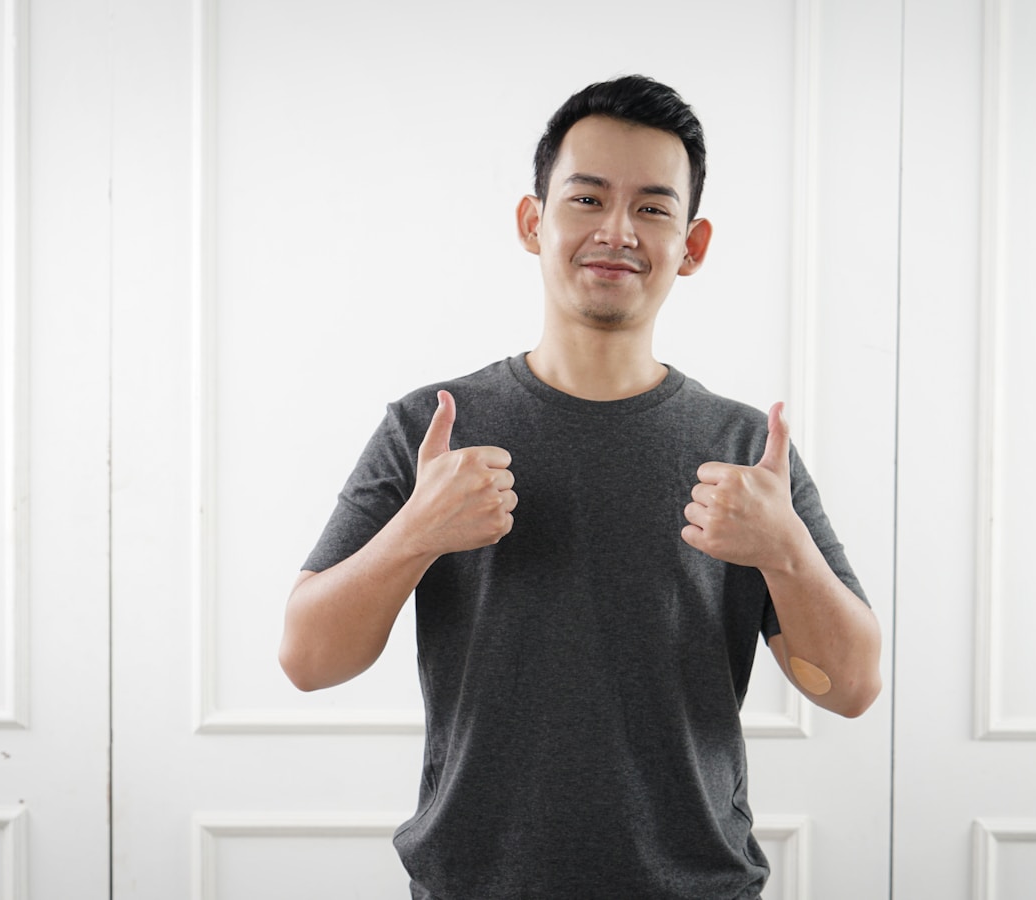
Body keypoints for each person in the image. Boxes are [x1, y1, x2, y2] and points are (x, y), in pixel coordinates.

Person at [280, 74, 882, 900]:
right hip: (473, 886)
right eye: (587, 198)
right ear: (535, 222)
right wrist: (416, 532)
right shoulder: (432, 429)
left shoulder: (747, 450)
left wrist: (787, 555)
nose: (617, 231)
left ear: (692, 245)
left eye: (653, 208)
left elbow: (849, 687)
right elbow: (308, 660)